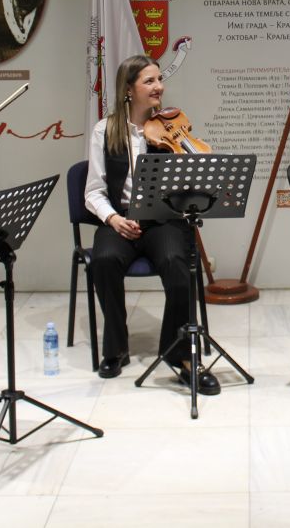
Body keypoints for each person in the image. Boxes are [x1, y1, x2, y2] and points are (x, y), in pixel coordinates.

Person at [84, 54, 221, 394]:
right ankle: (116, 347)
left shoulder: (169, 128)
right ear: (128, 89)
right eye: (149, 81)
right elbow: (93, 191)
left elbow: (196, 177)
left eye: (160, 79)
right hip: (121, 219)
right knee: (103, 261)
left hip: (162, 219)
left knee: (178, 263)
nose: (159, 86)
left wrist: (194, 158)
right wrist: (114, 219)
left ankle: (179, 354)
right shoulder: (104, 131)